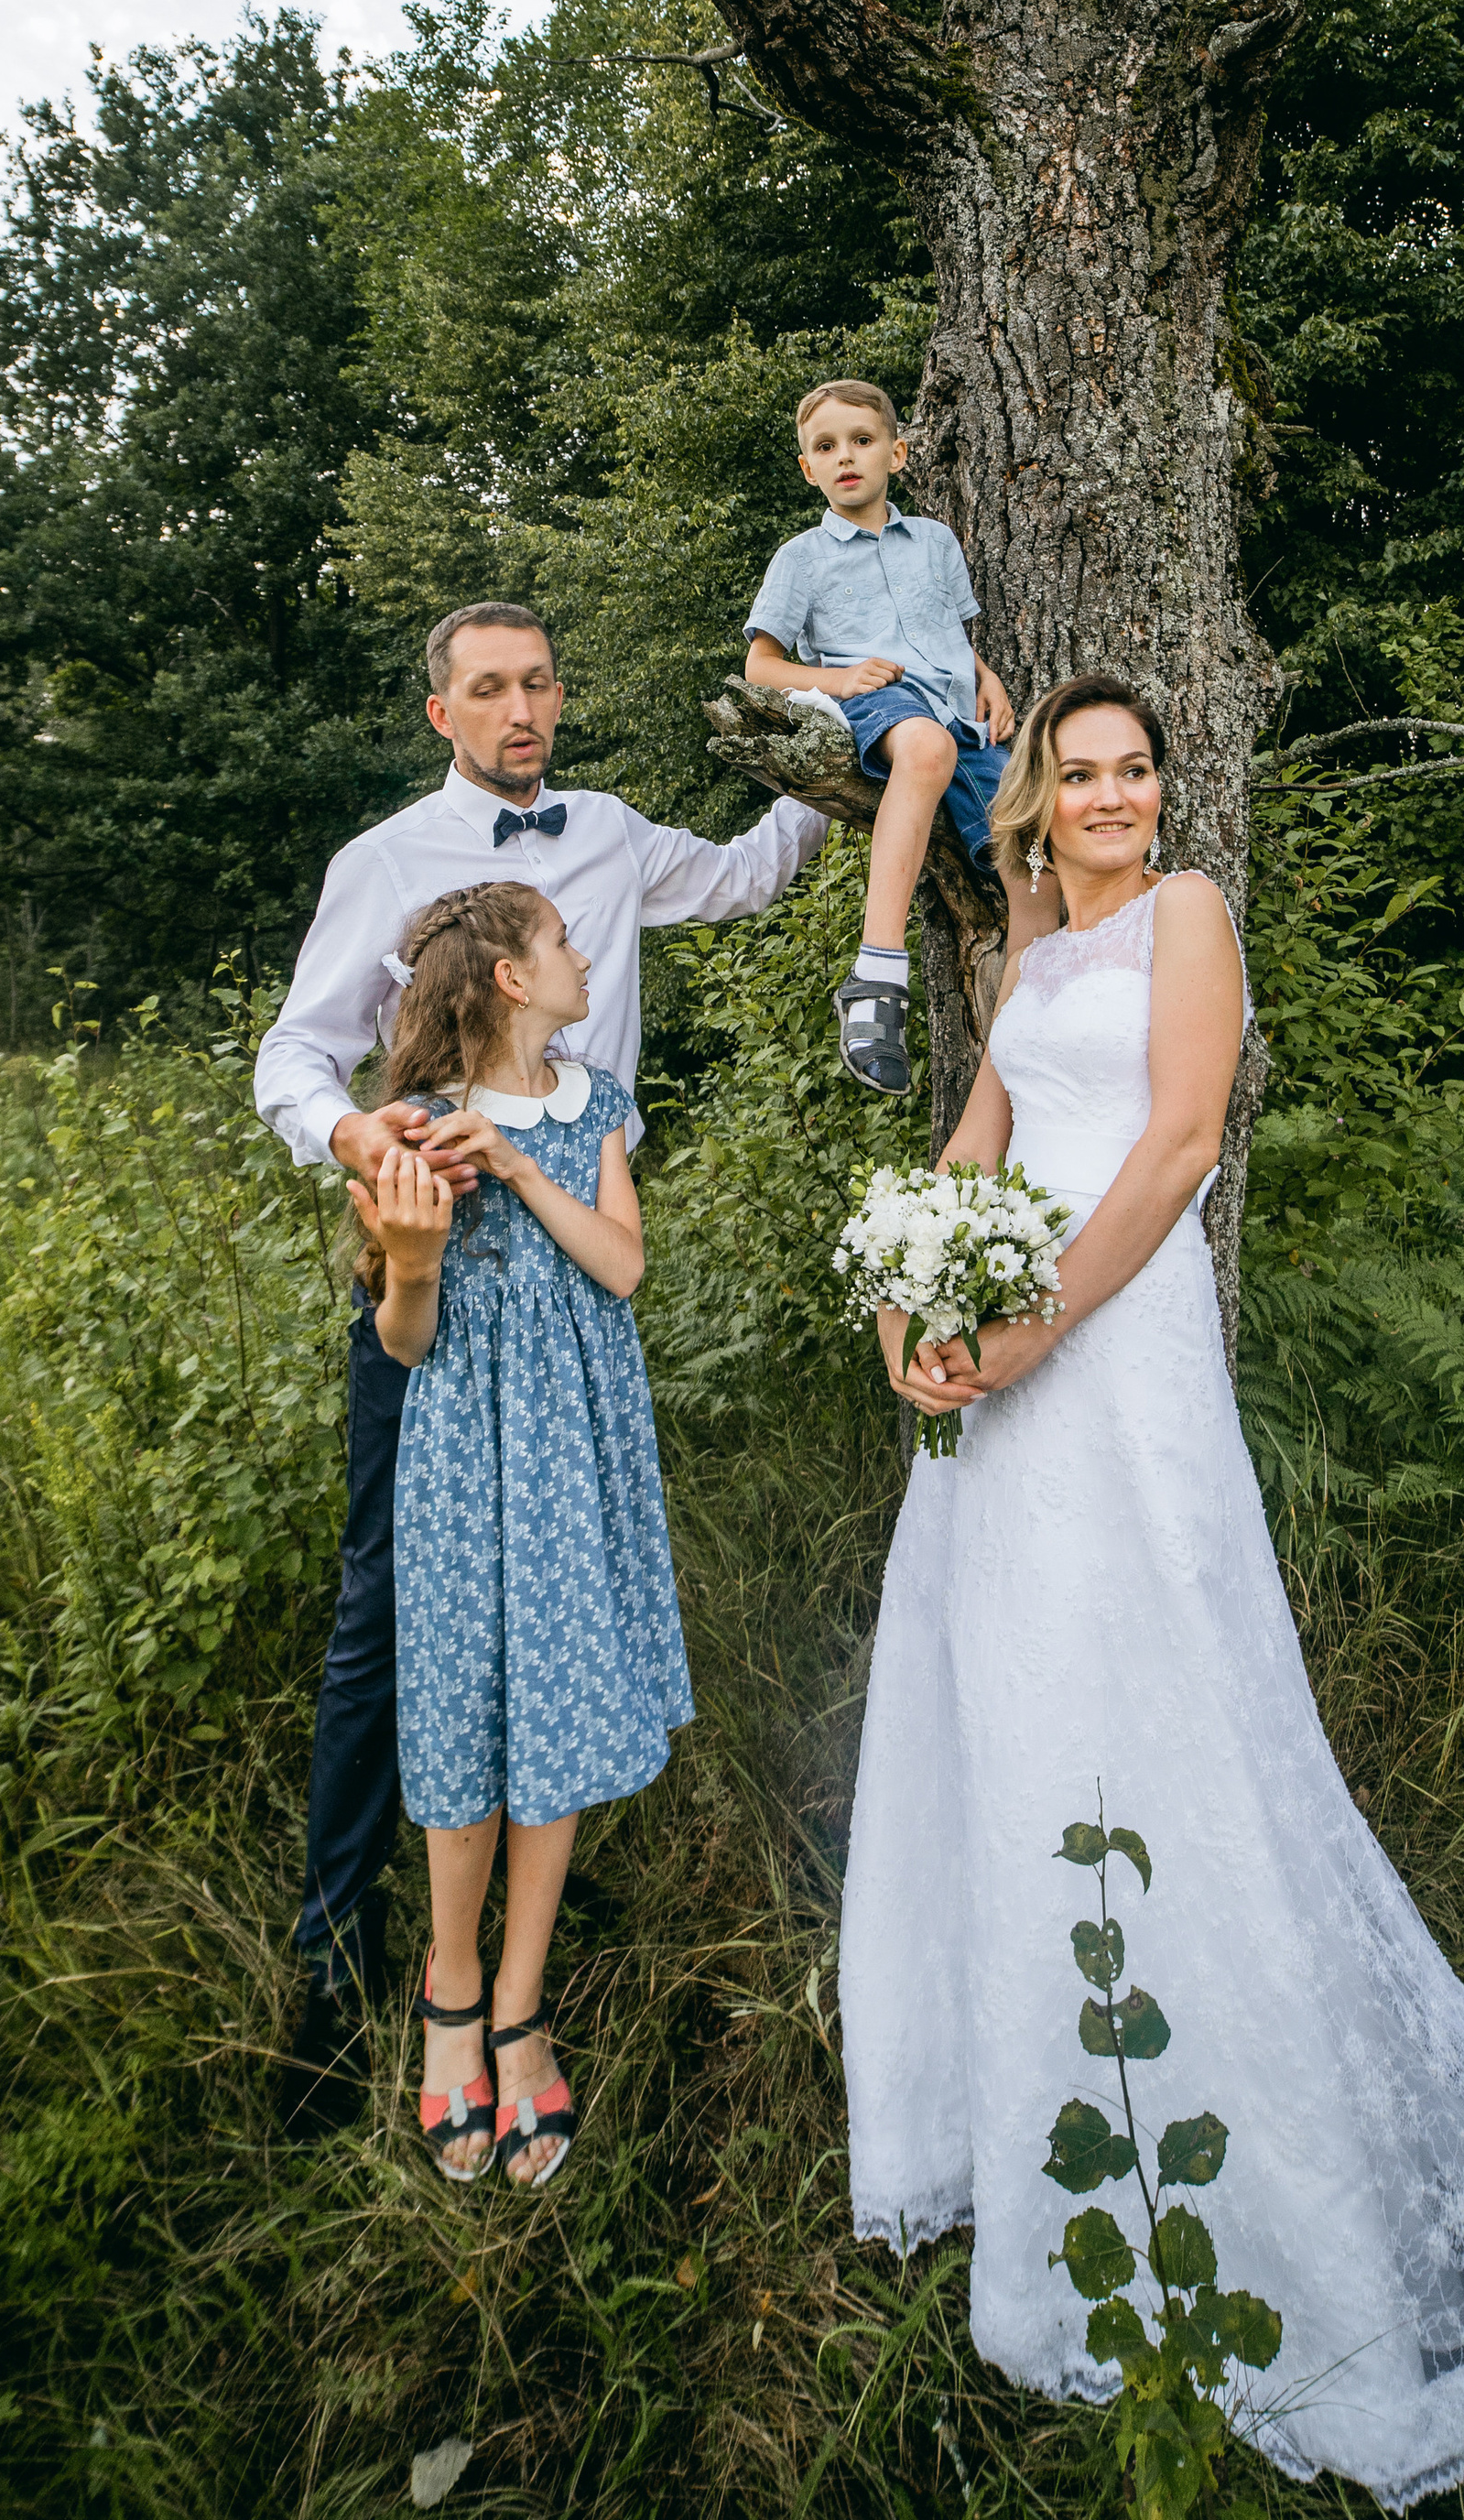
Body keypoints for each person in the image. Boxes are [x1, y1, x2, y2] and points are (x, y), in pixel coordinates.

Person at [837, 676, 1464, 2506]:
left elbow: (1176, 1148)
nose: (1113, 796)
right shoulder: (1029, 951)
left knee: (1163, 1708)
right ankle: (1049, 2152)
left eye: (1136, 771)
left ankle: (1263, 2193)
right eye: (1081, 773)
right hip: (1002, 1371)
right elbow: (978, 1138)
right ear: (1037, 799)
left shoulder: (1185, 917)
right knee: (1023, 1712)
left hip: (1114, 1356)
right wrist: (909, 1296)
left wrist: (1030, 1329)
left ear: (1161, 791)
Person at [256, 600, 823, 2128]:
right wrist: (362, 1138)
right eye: (490, 688)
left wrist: (857, 736)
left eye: (541, 683)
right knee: (385, 1611)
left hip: (574, 1292)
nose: (523, 709)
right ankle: (338, 1962)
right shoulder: (385, 861)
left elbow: (755, 869)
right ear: (440, 711)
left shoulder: (615, 836)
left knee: (560, 1597)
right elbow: (293, 1056)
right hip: (432, 1270)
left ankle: (522, 1969)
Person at [347, 877, 684, 2188]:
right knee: (461, 1717)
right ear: (508, 978)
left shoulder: (595, 1106)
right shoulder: (418, 1128)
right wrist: (414, 1255)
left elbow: (623, 1266)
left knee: (556, 1711)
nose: (584, 958)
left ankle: (518, 2005)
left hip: (579, 1457)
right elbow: (403, 1339)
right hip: (464, 1461)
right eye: (563, 942)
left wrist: (524, 1167)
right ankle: (451, 1991)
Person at [742, 381, 1043, 1098]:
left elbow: (948, 635)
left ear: (897, 454)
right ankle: (876, 975)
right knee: (927, 749)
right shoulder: (801, 558)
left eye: (862, 440)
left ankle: (1038, 1015)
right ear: (807, 468)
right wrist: (839, 679)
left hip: (956, 709)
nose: (845, 457)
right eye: (825, 447)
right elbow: (760, 667)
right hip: (876, 698)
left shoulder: (936, 543)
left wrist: (988, 679)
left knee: (1032, 854)